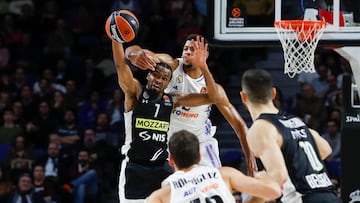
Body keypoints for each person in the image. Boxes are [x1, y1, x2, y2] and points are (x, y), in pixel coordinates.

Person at [112, 35, 220, 202]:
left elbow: (212, 97)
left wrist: (203, 66)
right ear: (148, 75)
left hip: (163, 168)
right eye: (155, 75)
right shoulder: (135, 94)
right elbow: (120, 65)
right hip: (135, 167)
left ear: (168, 83)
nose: (158, 81)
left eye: (164, 79)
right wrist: (116, 39)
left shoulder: (173, 100)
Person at [125, 34, 253, 172]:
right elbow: (140, 52)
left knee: (215, 187)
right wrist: (135, 53)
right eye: (185, 48)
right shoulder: (171, 66)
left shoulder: (211, 87)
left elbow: (239, 125)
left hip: (200, 143)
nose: (187, 52)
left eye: (193, 49)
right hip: (168, 142)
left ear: (205, 54)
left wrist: (252, 165)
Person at [240, 69, 341, 203]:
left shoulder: (260, 128)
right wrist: (293, 162)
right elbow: (325, 149)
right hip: (329, 196)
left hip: (303, 198)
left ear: (243, 97)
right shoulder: (295, 121)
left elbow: (278, 177)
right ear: (273, 93)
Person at [146, 130, 282, 203]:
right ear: (199, 157)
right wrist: (264, 177)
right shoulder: (224, 175)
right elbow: (274, 191)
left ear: (170, 160)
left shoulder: (161, 195)